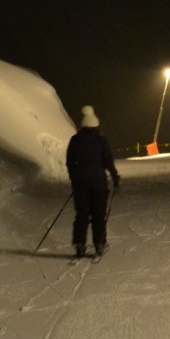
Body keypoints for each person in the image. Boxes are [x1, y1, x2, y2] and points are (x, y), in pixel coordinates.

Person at [66, 106, 120, 257]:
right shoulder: (101, 141)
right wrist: (115, 178)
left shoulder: (75, 140)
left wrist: (74, 178)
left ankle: (79, 244)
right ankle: (99, 244)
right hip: (98, 183)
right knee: (98, 214)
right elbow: (108, 161)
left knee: (82, 214)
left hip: (80, 183)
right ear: (96, 126)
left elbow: (70, 162)